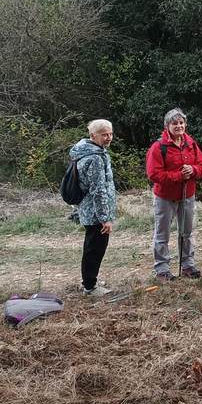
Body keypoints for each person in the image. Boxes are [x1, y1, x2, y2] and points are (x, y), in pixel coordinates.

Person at [145, 108, 202, 282]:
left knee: (187, 232)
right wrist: (179, 175)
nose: (179, 126)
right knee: (162, 234)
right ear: (167, 126)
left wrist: (193, 170)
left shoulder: (191, 143)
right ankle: (162, 269)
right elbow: (153, 174)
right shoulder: (158, 147)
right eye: (175, 123)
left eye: (181, 123)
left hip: (188, 195)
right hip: (165, 197)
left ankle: (188, 265)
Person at [70, 119, 117, 297]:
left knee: (93, 247)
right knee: (94, 249)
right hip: (95, 213)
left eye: (110, 134)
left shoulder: (89, 152)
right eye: (104, 134)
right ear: (93, 135)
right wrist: (105, 218)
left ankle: (90, 281)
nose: (109, 138)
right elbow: (98, 190)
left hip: (90, 210)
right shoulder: (95, 158)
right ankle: (90, 287)